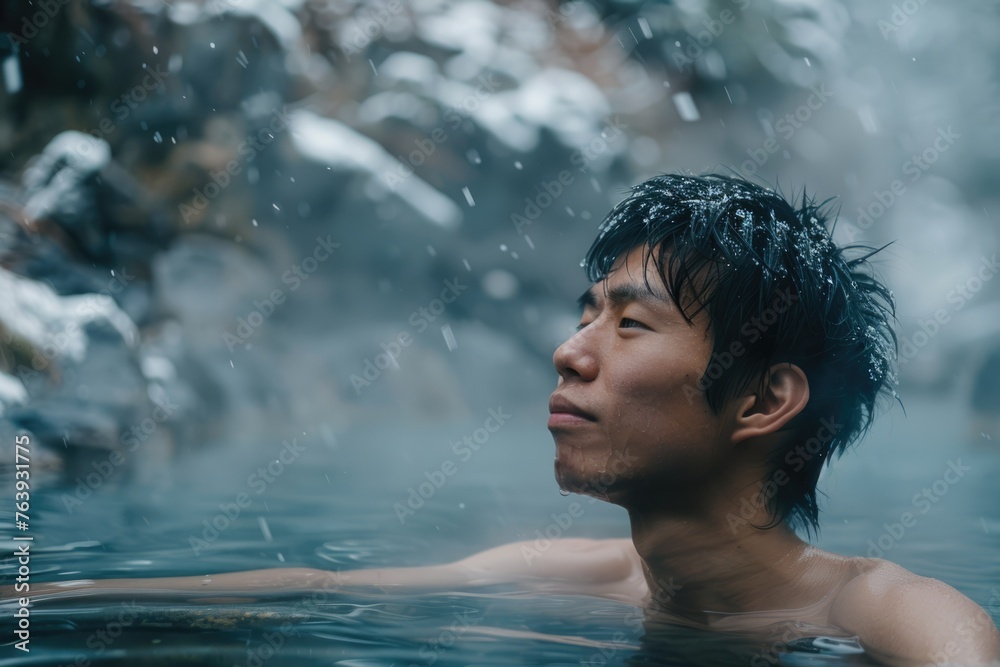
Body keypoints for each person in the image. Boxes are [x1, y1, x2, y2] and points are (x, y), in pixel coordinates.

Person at [13, 174, 1000, 666]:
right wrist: (27, 602)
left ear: (762, 400)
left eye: (630, 322)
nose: (571, 352)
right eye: (584, 314)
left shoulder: (890, 616)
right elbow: (315, 586)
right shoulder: (574, 577)